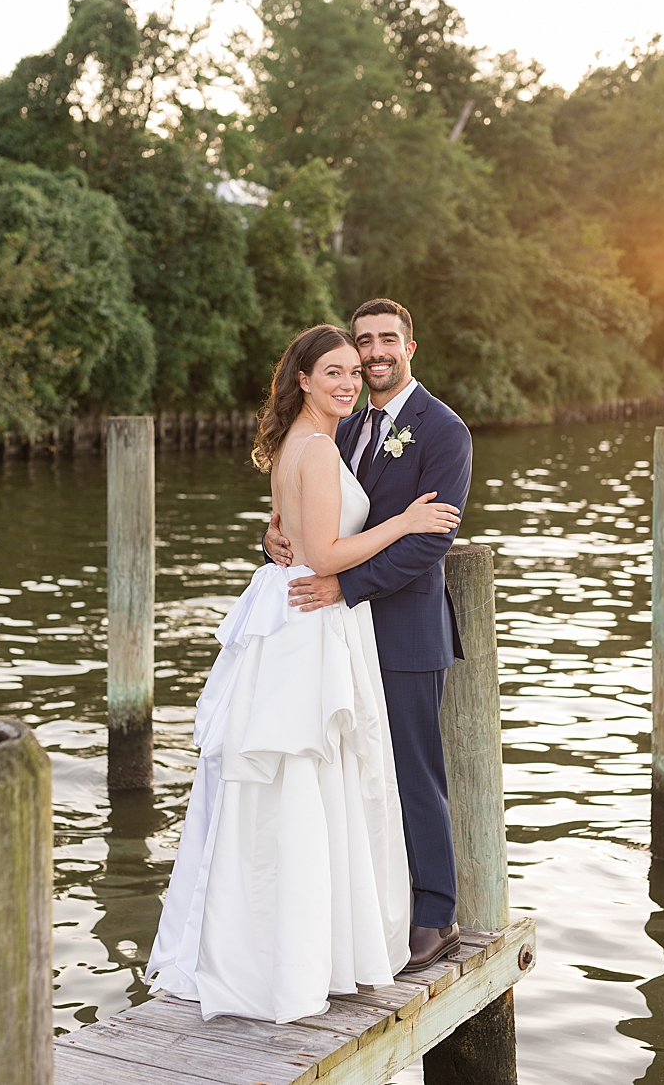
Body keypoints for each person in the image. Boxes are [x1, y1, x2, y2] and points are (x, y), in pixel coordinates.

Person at [147, 324, 460, 1022]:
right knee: (312, 776)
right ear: (305, 380)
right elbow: (321, 550)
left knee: (321, 777)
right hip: (315, 614)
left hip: (324, 617)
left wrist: (284, 536)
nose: (352, 378)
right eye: (338, 369)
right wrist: (403, 520)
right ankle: (304, 947)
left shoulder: (408, 431)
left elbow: (300, 525)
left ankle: (390, 922)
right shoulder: (326, 441)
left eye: (359, 365)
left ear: (410, 346)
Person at [264, 298, 473, 973]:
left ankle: (436, 915)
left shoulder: (443, 430)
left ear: (411, 344)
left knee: (415, 773)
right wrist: (275, 544)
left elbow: (431, 539)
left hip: (405, 629)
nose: (374, 353)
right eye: (363, 343)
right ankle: (375, 905)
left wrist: (343, 586)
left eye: (387, 339)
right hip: (340, 632)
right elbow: (323, 519)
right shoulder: (345, 426)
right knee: (359, 774)